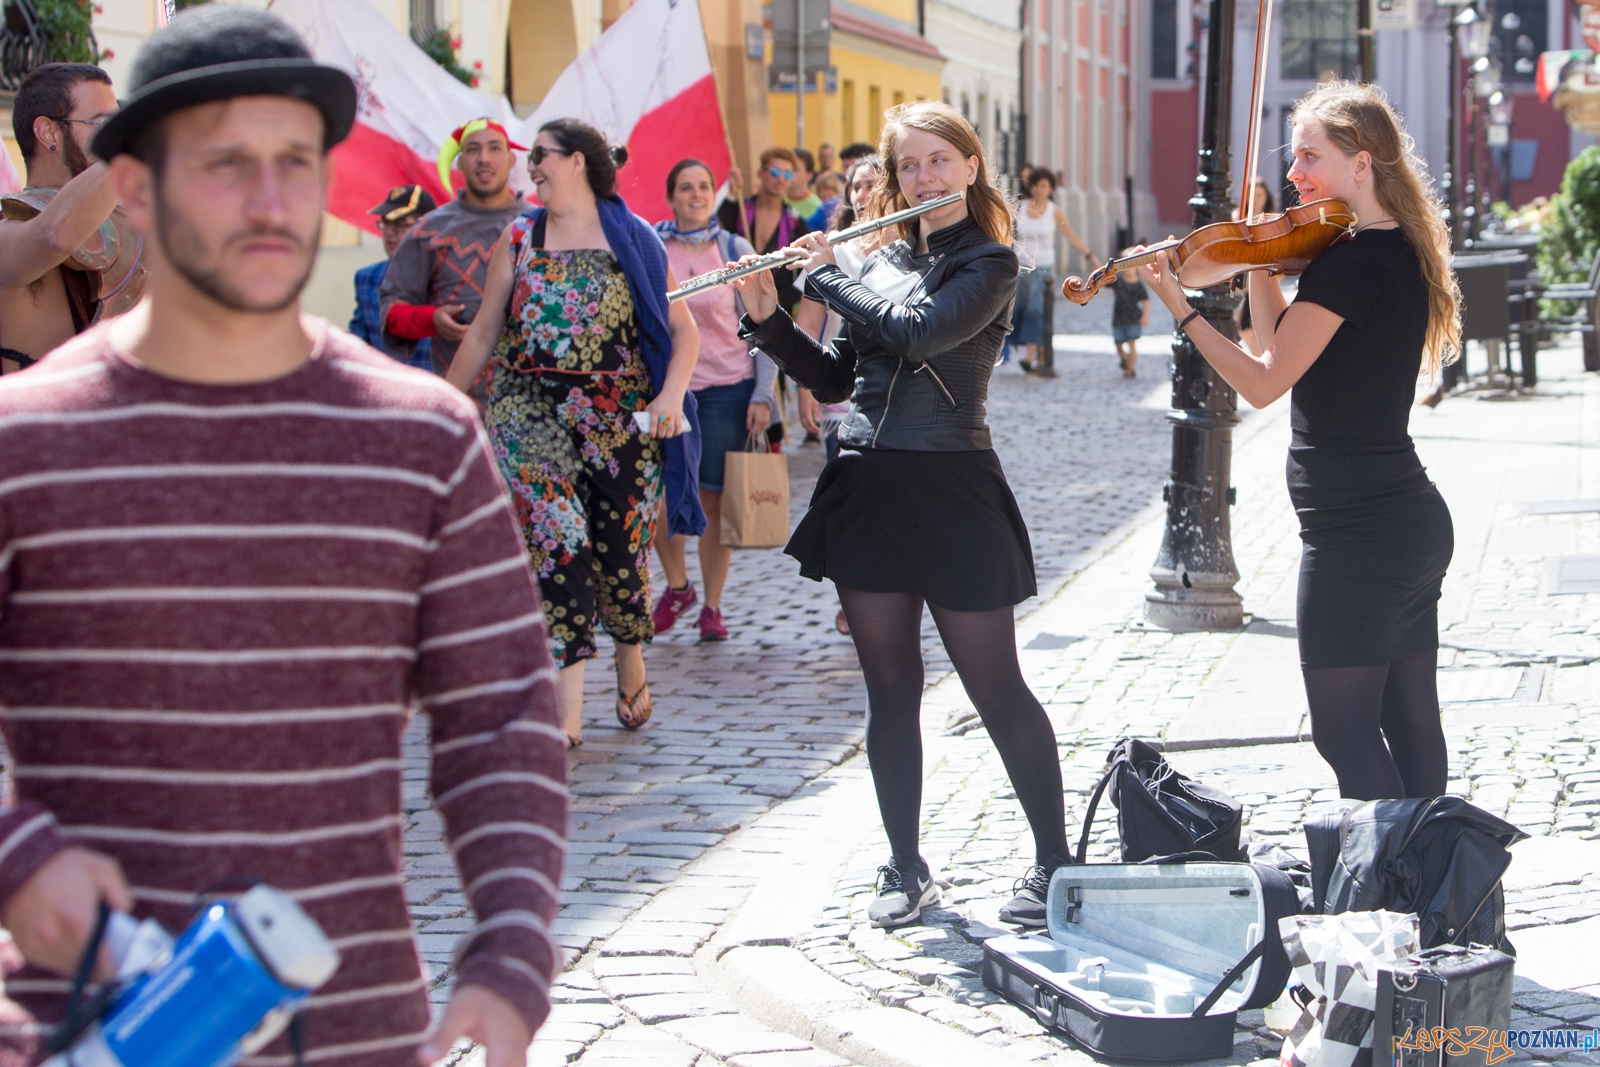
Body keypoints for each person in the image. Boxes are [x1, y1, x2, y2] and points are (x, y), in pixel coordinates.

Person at [0, 8, 566, 1067]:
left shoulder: (424, 436)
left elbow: (501, 714)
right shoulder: (26, 438)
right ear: (134, 188)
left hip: (351, 1027)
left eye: (295, 164)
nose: (270, 202)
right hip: (83, 1023)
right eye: (225, 165)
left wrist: (510, 945)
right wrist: (18, 855)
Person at [733, 101, 1073, 930]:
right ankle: (905, 863)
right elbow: (834, 379)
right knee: (889, 687)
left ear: (968, 165)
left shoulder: (991, 262)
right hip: (869, 485)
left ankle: (1057, 863)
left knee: (995, 686)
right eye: (908, 166)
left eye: (936, 161)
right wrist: (766, 319)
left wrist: (825, 274)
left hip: (952, 486)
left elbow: (922, 335)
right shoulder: (882, 261)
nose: (923, 177)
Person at [1135, 81, 1459, 801]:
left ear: (1363, 163)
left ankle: (1390, 885)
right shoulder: (1385, 251)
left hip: (1358, 533)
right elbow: (1273, 339)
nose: (1294, 174)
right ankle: (1435, 897)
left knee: (1341, 731)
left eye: (1310, 155)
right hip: (1402, 523)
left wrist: (1182, 309)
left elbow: (1261, 381)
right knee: (1409, 722)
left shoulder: (1351, 264)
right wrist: (1258, 256)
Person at [446, 118, 703, 749]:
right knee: (557, 540)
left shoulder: (634, 238)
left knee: (619, 552)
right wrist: (441, 403)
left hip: (617, 419)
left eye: (539, 156)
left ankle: (629, 653)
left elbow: (683, 331)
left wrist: (670, 395)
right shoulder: (519, 237)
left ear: (577, 162)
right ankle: (565, 708)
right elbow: (484, 331)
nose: (528, 166)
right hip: (530, 409)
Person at [651, 159, 778, 642]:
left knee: (713, 502)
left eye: (705, 186)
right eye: (686, 187)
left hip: (729, 390)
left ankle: (712, 605)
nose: (697, 194)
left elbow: (765, 322)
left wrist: (763, 394)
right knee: (662, 500)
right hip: (671, 392)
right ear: (672, 197)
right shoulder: (652, 246)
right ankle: (677, 585)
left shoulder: (733, 247)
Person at [795, 152, 882, 638]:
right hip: (841, 394)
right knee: (848, 504)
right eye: (856, 187)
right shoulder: (831, 250)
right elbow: (809, 324)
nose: (864, 195)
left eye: (873, 185)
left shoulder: (909, 245)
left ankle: (884, 589)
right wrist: (808, 385)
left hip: (890, 394)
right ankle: (852, 593)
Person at [380, 118, 526, 399]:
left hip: (535, 413)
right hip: (461, 406)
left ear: (511, 159)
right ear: (459, 162)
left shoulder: (540, 225)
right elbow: (391, 311)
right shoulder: (429, 230)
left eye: (494, 148)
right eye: (473, 150)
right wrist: (432, 319)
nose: (484, 159)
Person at [0, 63, 129, 373]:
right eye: (102, 124)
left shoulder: (133, 213)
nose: (111, 136)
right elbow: (54, 236)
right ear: (48, 132)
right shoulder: (9, 228)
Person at [1009, 166, 1100, 373]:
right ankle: (1039, 353)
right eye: (1036, 185)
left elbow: (1072, 236)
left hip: (1043, 267)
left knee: (1036, 308)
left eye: (1044, 186)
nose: (1039, 190)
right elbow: (1006, 235)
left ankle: (1029, 356)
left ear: (1050, 189)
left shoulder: (1053, 211)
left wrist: (1091, 257)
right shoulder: (1019, 208)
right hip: (1020, 267)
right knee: (1020, 310)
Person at [716, 146, 815, 315]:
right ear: (760, 173)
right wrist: (730, 193)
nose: (781, 179)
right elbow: (718, 234)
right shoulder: (739, 211)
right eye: (775, 172)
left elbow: (807, 271)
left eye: (788, 174)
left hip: (777, 312)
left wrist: (781, 300)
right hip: (736, 307)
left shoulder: (796, 223)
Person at [349, 183, 437, 369]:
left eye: (399, 225)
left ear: (427, 228)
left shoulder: (450, 278)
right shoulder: (367, 279)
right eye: (385, 224)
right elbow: (358, 346)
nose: (389, 232)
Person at [1238, 178, 1277, 355]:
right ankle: (1258, 357)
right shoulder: (1238, 219)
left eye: (1260, 195)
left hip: (1263, 274)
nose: (1256, 199)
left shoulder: (1272, 220)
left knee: (1255, 323)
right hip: (1242, 276)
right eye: (1253, 195)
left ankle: (1260, 358)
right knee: (1244, 326)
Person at [1109, 252, 1150, 377]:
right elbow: (1106, 280)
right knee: (1118, 343)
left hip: (1133, 318)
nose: (1127, 270)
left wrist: (1145, 316)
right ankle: (1124, 357)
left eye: (1130, 267)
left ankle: (1130, 369)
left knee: (1131, 343)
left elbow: (1145, 301)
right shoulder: (1118, 281)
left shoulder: (1138, 285)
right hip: (1119, 317)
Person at [786, 147, 823, 224]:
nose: (789, 172)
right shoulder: (776, 199)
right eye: (788, 168)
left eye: (795, 169)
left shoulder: (817, 208)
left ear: (809, 175)